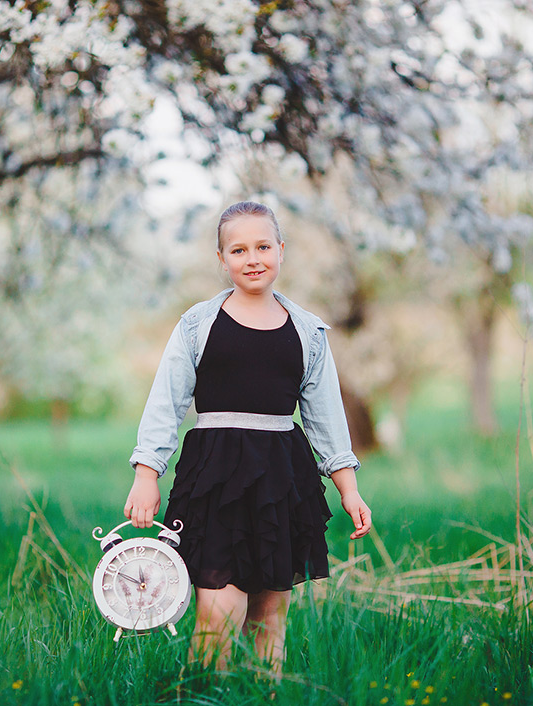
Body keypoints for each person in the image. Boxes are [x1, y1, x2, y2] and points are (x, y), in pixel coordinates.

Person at [123, 200, 373, 676]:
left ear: (281, 251)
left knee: (268, 615)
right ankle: (207, 690)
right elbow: (166, 401)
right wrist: (146, 473)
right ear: (222, 259)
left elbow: (324, 416)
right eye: (238, 249)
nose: (253, 258)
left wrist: (349, 487)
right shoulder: (198, 324)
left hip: (280, 477)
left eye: (263, 246)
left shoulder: (308, 332)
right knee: (217, 611)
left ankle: (264, 692)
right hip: (214, 475)